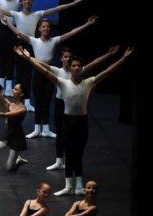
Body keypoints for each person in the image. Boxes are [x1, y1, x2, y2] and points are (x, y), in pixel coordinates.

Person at [19, 45, 132, 195]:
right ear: (70, 68)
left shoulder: (89, 82)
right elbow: (44, 70)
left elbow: (108, 71)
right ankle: (68, 185)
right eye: (74, 66)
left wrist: (123, 58)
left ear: (82, 68)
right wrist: (28, 58)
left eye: (79, 66)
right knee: (69, 153)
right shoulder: (63, 82)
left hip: (82, 122)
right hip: (68, 121)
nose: (77, 68)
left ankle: (79, 185)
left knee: (78, 154)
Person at [6, 16, 96, 138]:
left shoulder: (54, 40)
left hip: (50, 72)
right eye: (43, 26)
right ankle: (37, 128)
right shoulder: (34, 41)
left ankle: (46, 129)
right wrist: (8, 22)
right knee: (38, 100)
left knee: (47, 101)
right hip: (38, 72)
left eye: (48, 27)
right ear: (39, 29)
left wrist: (87, 24)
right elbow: (18, 33)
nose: (46, 28)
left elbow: (71, 33)